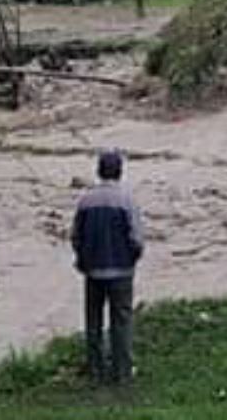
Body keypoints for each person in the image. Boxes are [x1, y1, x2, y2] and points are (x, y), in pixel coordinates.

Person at [70, 148, 144, 384]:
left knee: (93, 321)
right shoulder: (127, 200)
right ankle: (121, 371)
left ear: (99, 171)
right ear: (120, 172)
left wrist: (83, 259)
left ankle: (95, 369)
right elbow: (136, 238)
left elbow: (75, 236)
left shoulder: (85, 201)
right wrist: (132, 258)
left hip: (93, 271)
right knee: (121, 321)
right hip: (121, 270)